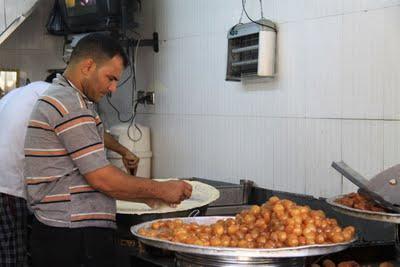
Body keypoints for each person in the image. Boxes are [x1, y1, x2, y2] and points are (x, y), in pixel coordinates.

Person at [24, 33, 192, 267]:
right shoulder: (70, 104)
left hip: (65, 233)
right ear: (88, 66)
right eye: (110, 78)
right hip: (72, 237)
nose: (112, 88)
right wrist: (161, 189)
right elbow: (102, 178)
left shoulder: (68, 100)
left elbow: (83, 174)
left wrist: (148, 196)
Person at [0, 74, 140, 266]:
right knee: (13, 257)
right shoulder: (55, 98)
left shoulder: (21, 93)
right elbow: (81, 130)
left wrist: (122, 151)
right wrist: (123, 151)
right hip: (8, 185)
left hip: (6, 180)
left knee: (7, 250)